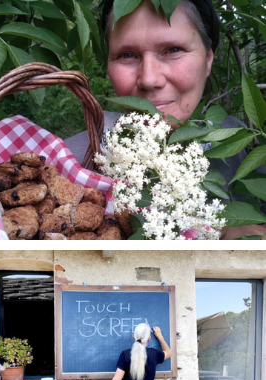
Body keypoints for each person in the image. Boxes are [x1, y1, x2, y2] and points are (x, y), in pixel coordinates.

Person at [64, 0, 263, 239]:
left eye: (173, 50)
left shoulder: (243, 149)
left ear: (208, 60)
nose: (149, 79)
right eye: (127, 55)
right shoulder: (70, 162)